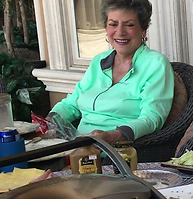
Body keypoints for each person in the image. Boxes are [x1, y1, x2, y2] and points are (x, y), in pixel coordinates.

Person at [46, 0, 174, 143]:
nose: (120, 32)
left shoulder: (155, 64)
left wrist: (113, 136)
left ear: (143, 30)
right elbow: (72, 103)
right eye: (113, 24)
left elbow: (152, 118)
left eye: (129, 25)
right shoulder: (98, 61)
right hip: (77, 146)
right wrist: (49, 121)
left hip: (120, 149)